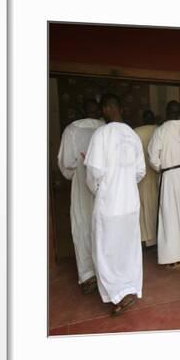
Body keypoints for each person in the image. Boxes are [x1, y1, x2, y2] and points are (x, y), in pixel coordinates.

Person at [84, 94, 146, 316]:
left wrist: (100, 189)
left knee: (106, 250)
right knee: (128, 249)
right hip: (129, 203)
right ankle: (130, 288)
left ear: (109, 108)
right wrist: (125, 183)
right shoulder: (132, 135)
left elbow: (93, 173)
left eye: (103, 109)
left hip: (109, 204)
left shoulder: (101, 134)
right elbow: (140, 172)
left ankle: (117, 293)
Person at [57, 99, 105, 294]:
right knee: (103, 227)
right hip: (104, 185)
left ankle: (87, 276)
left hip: (81, 184)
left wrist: (74, 173)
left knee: (83, 225)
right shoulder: (105, 129)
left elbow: (66, 162)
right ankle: (105, 273)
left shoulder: (72, 129)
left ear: (81, 110)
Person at [148, 101, 180, 270]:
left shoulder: (160, 131)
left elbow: (153, 159)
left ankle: (172, 258)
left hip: (169, 175)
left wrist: (164, 168)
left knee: (169, 216)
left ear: (166, 112)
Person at [134, 110, 159, 248]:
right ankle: (156, 238)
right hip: (156, 174)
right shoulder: (159, 130)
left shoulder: (136, 131)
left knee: (143, 208)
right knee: (156, 206)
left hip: (141, 175)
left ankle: (145, 239)